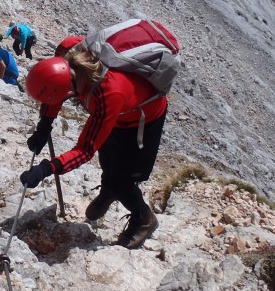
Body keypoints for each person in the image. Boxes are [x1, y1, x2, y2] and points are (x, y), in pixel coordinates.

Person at [19, 45, 167, 249]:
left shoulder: (108, 94)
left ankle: (144, 217)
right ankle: (108, 191)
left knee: (123, 180)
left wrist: (46, 169)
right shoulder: (69, 54)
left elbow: (85, 150)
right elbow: (56, 90)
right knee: (108, 163)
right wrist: (44, 125)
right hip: (117, 114)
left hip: (145, 120)